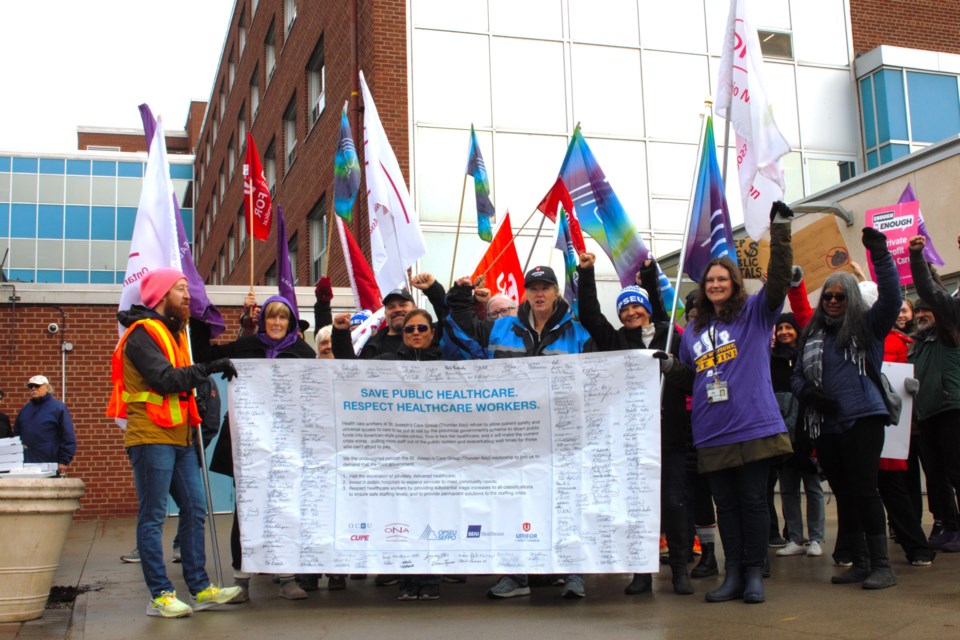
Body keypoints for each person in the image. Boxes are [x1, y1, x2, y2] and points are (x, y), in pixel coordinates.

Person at [662, 201, 796, 605]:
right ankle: (733, 573)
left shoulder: (755, 313)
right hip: (711, 431)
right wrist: (670, 366)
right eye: (710, 281)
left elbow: (776, 282)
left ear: (735, 283)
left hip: (753, 426)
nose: (716, 285)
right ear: (703, 288)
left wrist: (781, 231)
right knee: (725, 505)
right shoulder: (694, 329)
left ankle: (755, 572)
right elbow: (693, 379)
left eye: (723, 279)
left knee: (754, 501)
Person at [448, 265, 594, 599]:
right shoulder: (501, 328)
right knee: (515, 504)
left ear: (556, 292)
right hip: (511, 436)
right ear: (524, 293)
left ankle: (573, 572)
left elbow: (595, 380)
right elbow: (460, 327)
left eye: (546, 287)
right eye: (533, 288)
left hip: (561, 436)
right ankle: (517, 576)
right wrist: (460, 294)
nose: (539, 293)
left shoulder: (579, 333)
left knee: (565, 502)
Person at [108, 267, 241, 618]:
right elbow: (165, 380)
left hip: (179, 434)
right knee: (153, 515)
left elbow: (179, 383)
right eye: (181, 289)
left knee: (195, 509)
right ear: (161, 295)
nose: (187, 295)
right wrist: (210, 368)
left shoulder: (176, 334)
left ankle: (200, 589)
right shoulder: (141, 334)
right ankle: (160, 595)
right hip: (151, 435)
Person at [576, 254, 693, 596]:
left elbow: (690, 380)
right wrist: (586, 273)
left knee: (673, 502)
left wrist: (648, 273)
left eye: (635, 307)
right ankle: (641, 572)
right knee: (636, 506)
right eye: (624, 309)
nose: (630, 313)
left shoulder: (671, 337)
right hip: (630, 441)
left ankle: (681, 570)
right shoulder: (614, 341)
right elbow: (589, 315)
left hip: (669, 438)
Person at [792, 227, 902, 590]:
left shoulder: (868, 326)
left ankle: (882, 567)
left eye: (841, 296)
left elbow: (890, 299)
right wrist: (808, 393)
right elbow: (795, 376)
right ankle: (862, 561)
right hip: (826, 425)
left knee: (865, 490)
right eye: (828, 296)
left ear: (851, 298)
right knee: (845, 493)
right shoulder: (812, 334)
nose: (834, 301)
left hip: (862, 419)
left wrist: (881, 256)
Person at [193, 292, 317, 601]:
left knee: (285, 507)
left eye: (283, 317)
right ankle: (241, 580)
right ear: (263, 320)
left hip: (288, 444)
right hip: (247, 443)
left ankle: (287, 576)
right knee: (246, 510)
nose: (277, 322)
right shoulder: (247, 347)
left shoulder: (303, 353)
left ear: (290, 323)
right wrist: (201, 316)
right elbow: (203, 355)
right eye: (272, 316)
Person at [333, 308, 444, 599]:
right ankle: (408, 582)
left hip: (435, 457)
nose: (416, 333)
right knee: (405, 519)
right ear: (402, 334)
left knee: (432, 520)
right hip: (399, 458)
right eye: (409, 329)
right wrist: (341, 333)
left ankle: (430, 583)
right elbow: (350, 371)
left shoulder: (447, 363)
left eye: (422, 328)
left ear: (432, 333)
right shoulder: (386, 362)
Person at [908, 236, 960, 553]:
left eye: (928, 310)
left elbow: (931, 291)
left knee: (957, 472)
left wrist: (917, 259)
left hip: (951, 410)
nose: (922, 314)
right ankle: (950, 527)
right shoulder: (918, 345)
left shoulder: (949, 332)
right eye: (918, 312)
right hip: (925, 417)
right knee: (936, 478)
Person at [770, 313, 826, 559]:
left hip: (806, 428)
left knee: (812, 487)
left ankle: (816, 538)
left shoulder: (807, 356)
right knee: (788, 488)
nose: (784, 332)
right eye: (780, 328)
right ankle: (795, 537)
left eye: (788, 327)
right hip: (781, 430)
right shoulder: (770, 360)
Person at [14, 375, 76, 474]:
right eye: (31, 386)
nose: (33, 388)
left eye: (37, 386)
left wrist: (64, 461)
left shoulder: (58, 408)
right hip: (26, 463)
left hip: (49, 463)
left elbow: (68, 436)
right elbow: (16, 434)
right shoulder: (25, 409)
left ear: (47, 387)